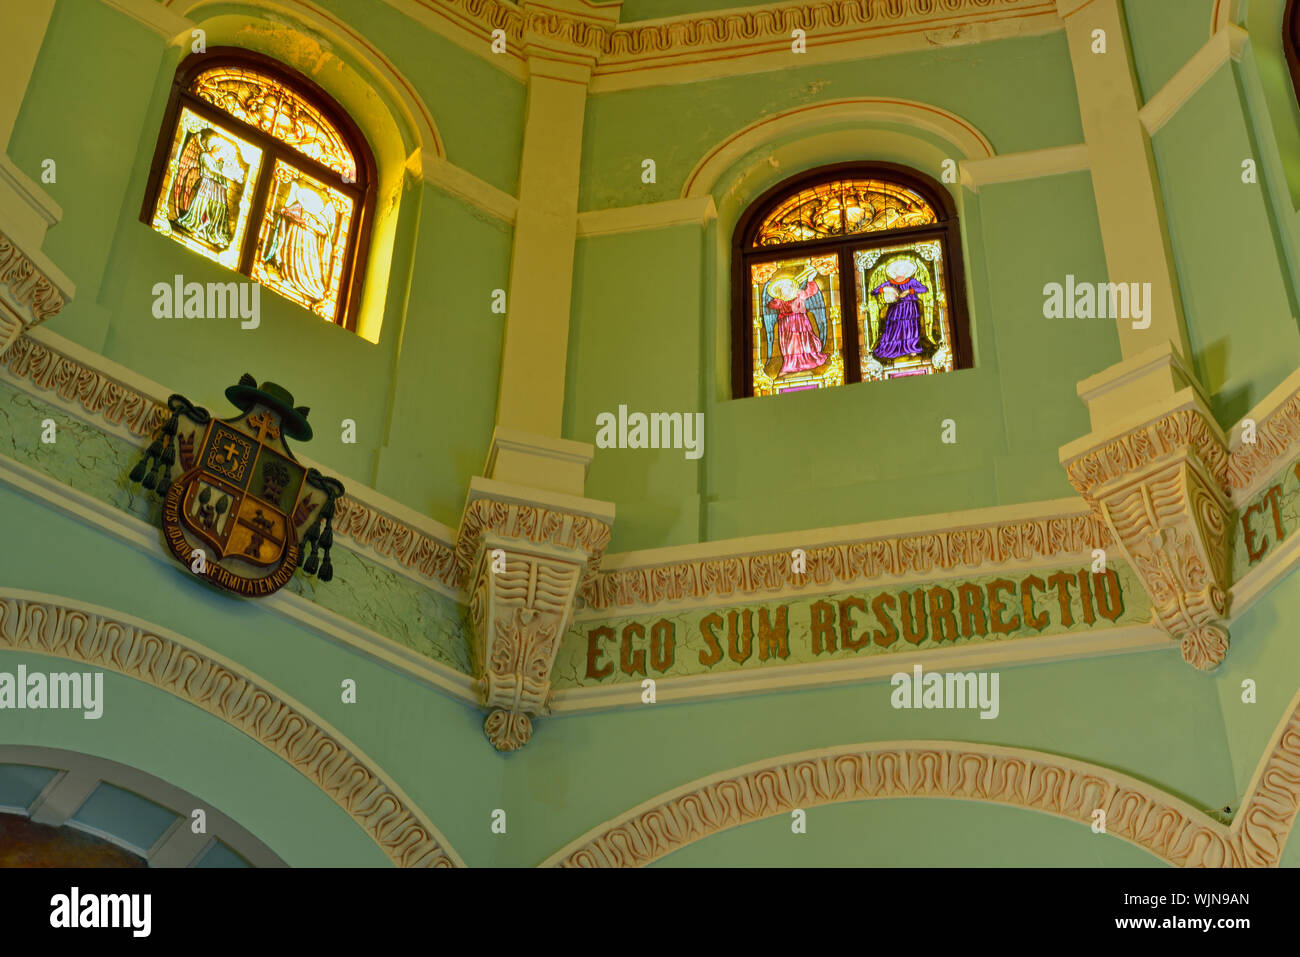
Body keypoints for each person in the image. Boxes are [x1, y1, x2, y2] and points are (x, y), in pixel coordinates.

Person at [766, 268, 828, 375]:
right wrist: (777, 299)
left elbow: (812, 291)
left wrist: (810, 279)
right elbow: (771, 305)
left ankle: (806, 360)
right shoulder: (780, 301)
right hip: (786, 326)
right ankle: (790, 365)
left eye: (788, 287)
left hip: (801, 323)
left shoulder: (799, 295)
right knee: (789, 344)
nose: (786, 290)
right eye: (783, 288)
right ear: (780, 291)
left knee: (803, 341)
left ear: (792, 287)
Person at [871, 259, 934, 361]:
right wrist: (885, 289)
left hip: (910, 308)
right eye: (900, 269)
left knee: (910, 327)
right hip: (895, 309)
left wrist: (909, 291)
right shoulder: (889, 283)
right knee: (893, 327)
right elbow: (874, 291)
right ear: (895, 271)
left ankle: (911, 347)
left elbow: (924, 289)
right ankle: (892, 348)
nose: (903, 271)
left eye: (905, 269)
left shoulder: (912, 282)